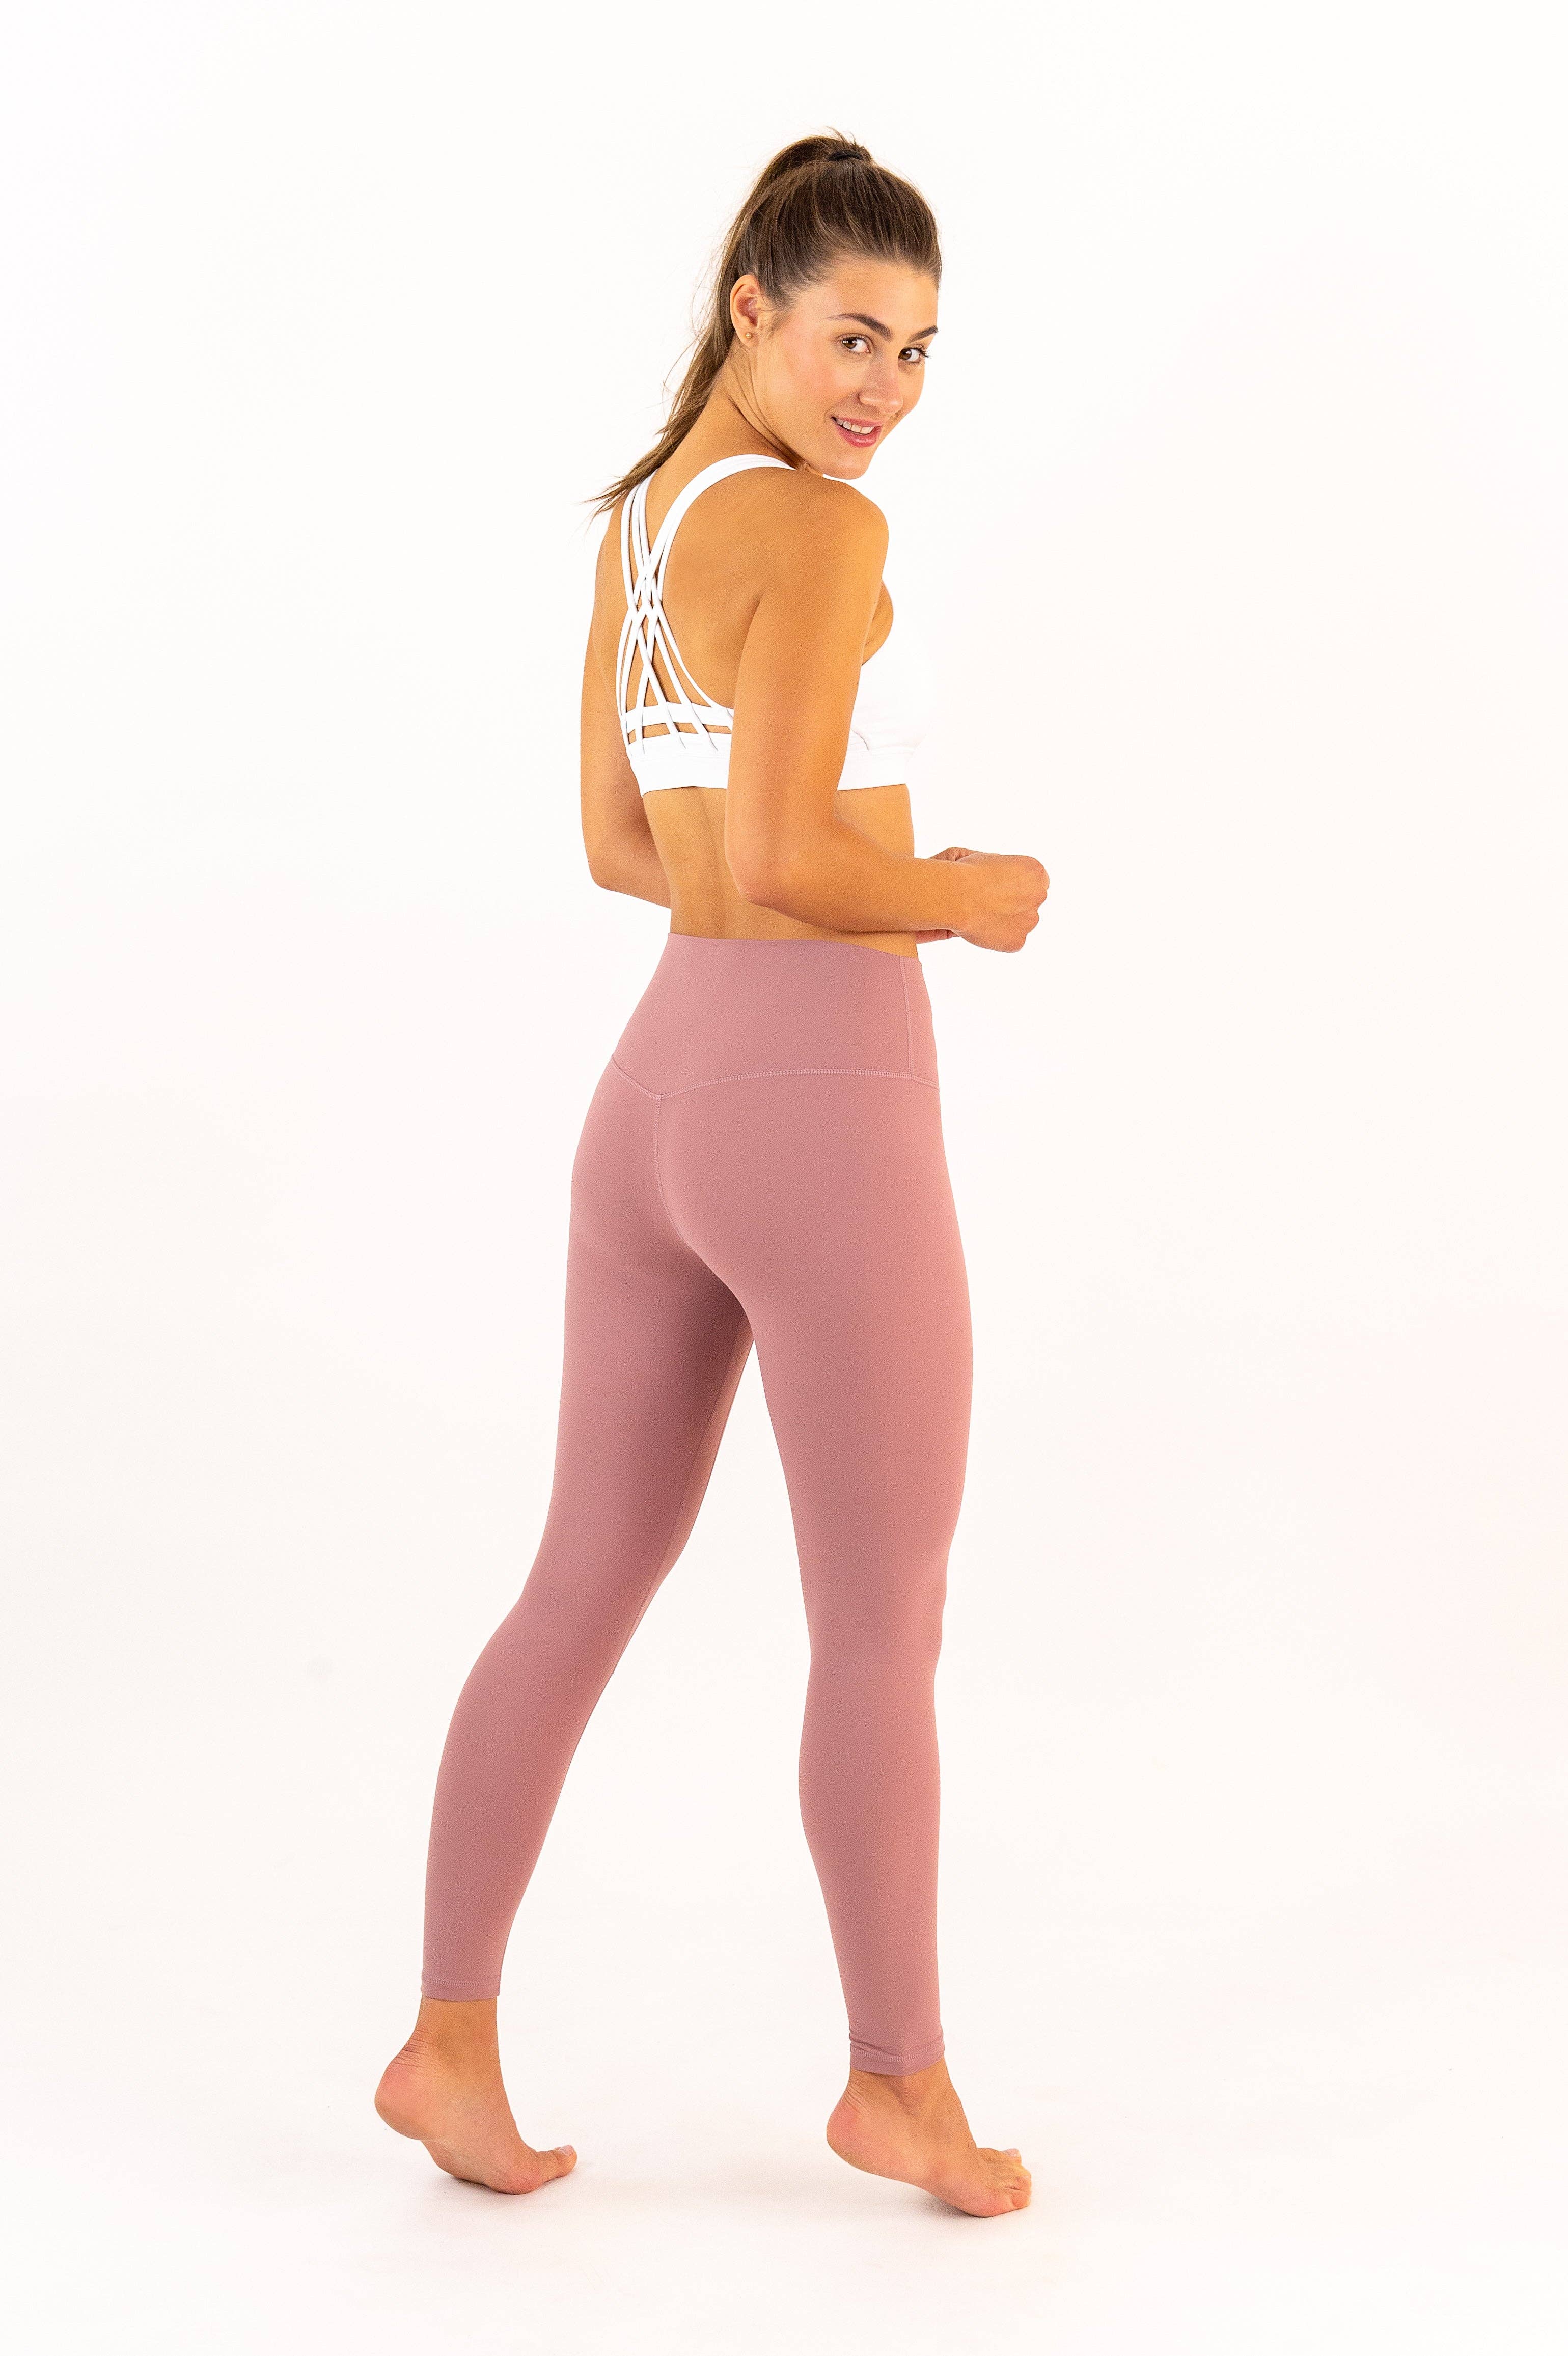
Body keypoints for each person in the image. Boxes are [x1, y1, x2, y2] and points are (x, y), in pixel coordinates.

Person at [376, 132, 1049, 2218]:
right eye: (853, 336)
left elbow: (625, 843)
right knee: (880, 1617)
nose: (884, 391)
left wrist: (795, 892)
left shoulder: (646, 529)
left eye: (918, 352)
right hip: (820, 1097)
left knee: (582, 1567)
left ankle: (447, 2039)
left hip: (658, 1088)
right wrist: (959, 889)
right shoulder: (824, 532)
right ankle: (898, 2086)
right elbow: (780, 850)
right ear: (752, 308)